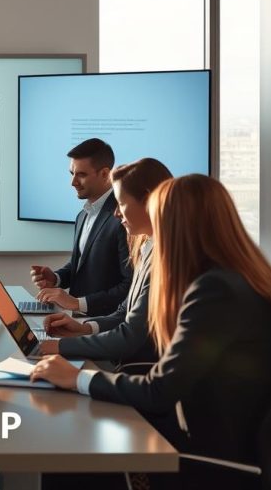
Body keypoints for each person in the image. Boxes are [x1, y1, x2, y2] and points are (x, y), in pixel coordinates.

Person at [31, 174, 271, 490]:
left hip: (205, 452)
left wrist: (76, 378)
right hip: (221, 428)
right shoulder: (236, 278)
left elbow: (160, 391)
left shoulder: (216, 292)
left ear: (176, 223)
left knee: (64, 454)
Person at [36, 158, 171, 368]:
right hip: (124, 360)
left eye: (122, 204)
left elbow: (130, 335)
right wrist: (85, 329)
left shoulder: (166, 259)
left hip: (138, 371)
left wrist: (60, 347)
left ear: (147, 201)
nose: (116, 213)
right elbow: (124, 313)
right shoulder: (147, 248)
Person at [30, 138, 132, 317]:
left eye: (81, 175)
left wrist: (78, 303)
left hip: (108, 326)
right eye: (72, 173)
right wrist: (56, 278)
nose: (73, 182)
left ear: (105, 174)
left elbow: (131, 285)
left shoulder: (123, 217)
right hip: (79, 322)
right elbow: (81, 264)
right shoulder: (83, 215)